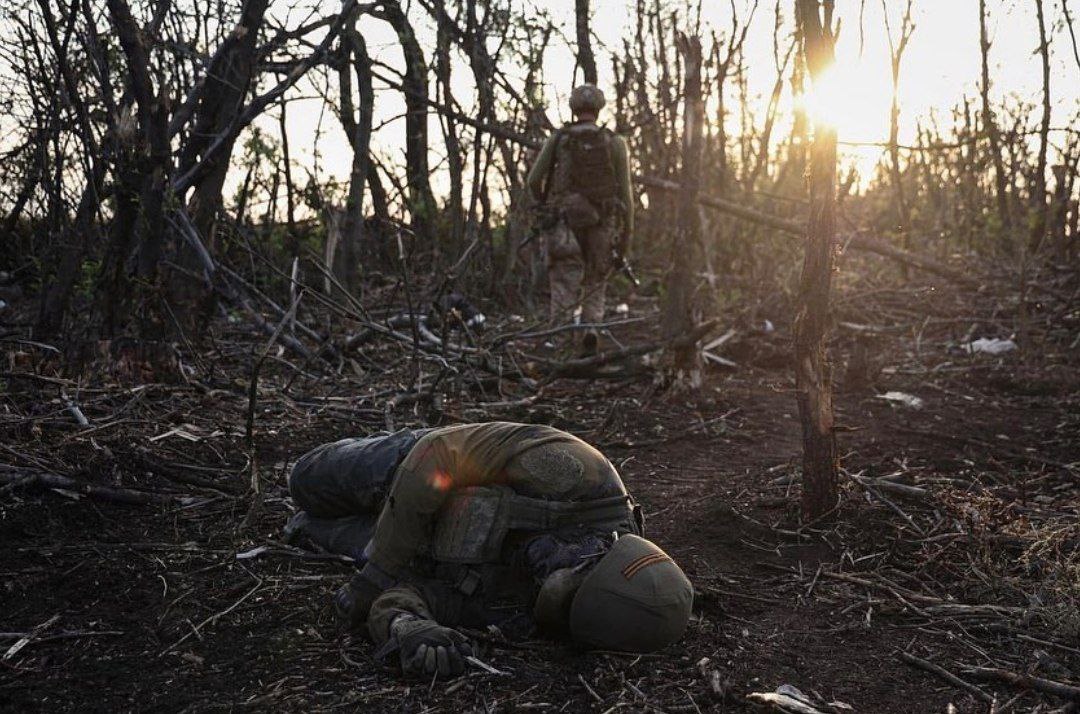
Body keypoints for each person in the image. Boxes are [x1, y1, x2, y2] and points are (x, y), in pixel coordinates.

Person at [286, 422, 692, 679]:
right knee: (304, 480)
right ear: (604, 548)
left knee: (306, 528)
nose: (545, 575)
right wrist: (376, 573)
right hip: (413, 470)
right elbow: (441, 453)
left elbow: (410, 596)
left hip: (413, 547)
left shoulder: (526, 611)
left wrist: (409, 629)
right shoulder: (580, 476)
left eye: (561, 600)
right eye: (574, 567)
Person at [526, 85, 634, 354]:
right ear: (599, 109)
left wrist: (545, 206)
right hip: (602, 224)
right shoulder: (615, 142)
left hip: (564, 223)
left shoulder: (559, 139)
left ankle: (561, 347)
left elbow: (533, 180)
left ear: (574, 109)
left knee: (564, 283)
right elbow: (627, 198)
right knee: (596, 281)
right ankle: (590, 333)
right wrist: (625, 240)